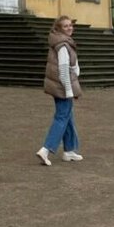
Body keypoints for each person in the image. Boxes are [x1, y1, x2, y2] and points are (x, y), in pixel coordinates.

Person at [36, 15, 83, 166]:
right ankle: (46, 149)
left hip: (60, 86)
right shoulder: (62, 45)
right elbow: (63, 69)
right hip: (63, 87)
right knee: (62, 117)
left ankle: (69, 151)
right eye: (65, 26)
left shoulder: (62, 42)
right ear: (59, 29)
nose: (69, 28)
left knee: (68, 117)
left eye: (70, 25)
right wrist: (69, 90)